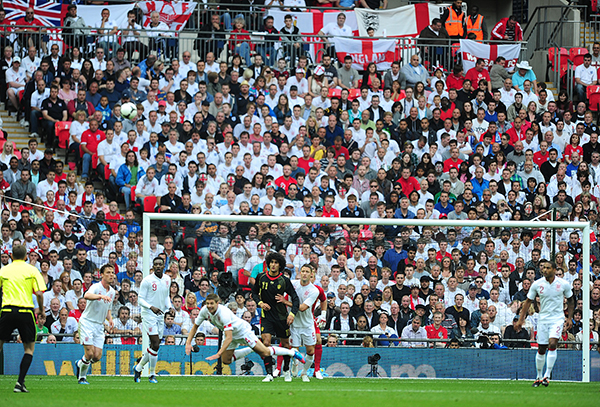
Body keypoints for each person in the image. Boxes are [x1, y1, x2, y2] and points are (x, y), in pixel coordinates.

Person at [185, 294, 305, 380]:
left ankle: (292, 352)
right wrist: (188, 343)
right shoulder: (204, 311)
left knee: (265, 352)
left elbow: (229, 338)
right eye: (208, 303)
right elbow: (195, 327)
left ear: (217, 303)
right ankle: (250, 349)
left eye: (212, 303)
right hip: (231, 335)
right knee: (226, 361)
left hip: (242, 331)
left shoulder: (224, 313)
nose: (209, 306)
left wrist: (218, 353)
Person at [515, 260, 574, 387]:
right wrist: (521, 319)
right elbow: (528, 301)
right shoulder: (537, 284)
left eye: (547, 268)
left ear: (553, 269)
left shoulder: (563, 284)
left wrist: (569, 318)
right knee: (541, 348)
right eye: (543, 268)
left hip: (557, 318)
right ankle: (539, 376)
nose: (544, 270)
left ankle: (547, 376)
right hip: (543, 319)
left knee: (552, 343)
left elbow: (570, 300)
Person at [0, 245, 46, 393]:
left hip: (6, 310)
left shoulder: (4, 270)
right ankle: (20, 383)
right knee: (29, 348)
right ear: (26, 256)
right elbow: (39, 293)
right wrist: (42, 311)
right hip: (25, 311)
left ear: (12, 256)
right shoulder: (32, 270)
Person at [252, 252, 300, 382]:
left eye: (276, 263)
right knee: (266, 343)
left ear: (280, 265)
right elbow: (254, 294)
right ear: (268, 263)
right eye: (271, 262)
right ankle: (268, 374)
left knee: (285, 344)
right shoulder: (261, 277)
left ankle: (286, 370)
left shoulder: (284, 280)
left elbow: (296, 299)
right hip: (266, 316)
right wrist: (261, 303)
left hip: (281, 317)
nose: (273, 265)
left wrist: (292, 313)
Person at [133, 257, 173, 384]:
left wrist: (170, 307)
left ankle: (138, 367)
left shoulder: (167, 279)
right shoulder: (147, 281)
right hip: (149, 314)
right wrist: (151, 307)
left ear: (163, 266)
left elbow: (166, 296)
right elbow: (140, 299)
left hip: (160, 315)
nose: (157, 266)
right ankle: (152, 374)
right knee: (155, 343)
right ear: (153, 266)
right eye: (155, 264)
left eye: (160, 264)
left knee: (155, 346)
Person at [74, 264, 116, 385]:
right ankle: (82, 377)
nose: (111, 275)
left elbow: (108, 308)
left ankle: (80, 363)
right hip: (87, 322)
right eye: (108, 272)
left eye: (112, 273)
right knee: (89, 352)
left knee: (96, 356)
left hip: (99, 325)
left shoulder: (112, 292)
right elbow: (86, 295)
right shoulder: (96, 287)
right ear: (101, 275)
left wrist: (110, 319)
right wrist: (100, 296)